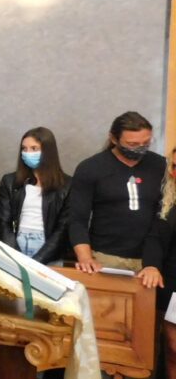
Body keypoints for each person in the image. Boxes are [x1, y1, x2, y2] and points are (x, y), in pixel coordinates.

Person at [68, 111, 165, 288]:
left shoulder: (160, 166)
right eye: (132, 144)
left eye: (146, 143)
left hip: (151, 260)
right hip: (105, 257)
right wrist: (85, 258)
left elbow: (164, 217)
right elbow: (77, 219)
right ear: (114, 139)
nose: (140, 149)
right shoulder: (91, 168)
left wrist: (153, 263)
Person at [0, 127, 71, 264]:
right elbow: (3, 222)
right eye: (24, 149)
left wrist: (37, 261)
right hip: (15, 245)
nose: (27, 153)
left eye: (34, 148)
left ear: (48, 152)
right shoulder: (9, 181)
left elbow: (63, 229)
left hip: (48, 250)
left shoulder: (67, 185)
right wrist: (15, 257)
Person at [152, 146, 176, 378]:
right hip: (172, 284)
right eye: (175, 167)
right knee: (172, 348)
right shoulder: (168, 200)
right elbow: (156, 239)